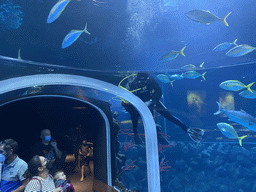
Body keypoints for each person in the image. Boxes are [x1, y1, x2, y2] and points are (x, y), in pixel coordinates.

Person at [121, 72, 204, 143]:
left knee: (169, 117)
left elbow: (159, 92)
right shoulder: (134, 84)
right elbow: (132, 97)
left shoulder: (151, 81)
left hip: (153, 102)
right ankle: (137, 135)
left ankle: (187, 129)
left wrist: (151, 101)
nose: (143, 82)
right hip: (142, 105)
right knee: (136, 118)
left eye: (144, 80)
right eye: (141, 80)